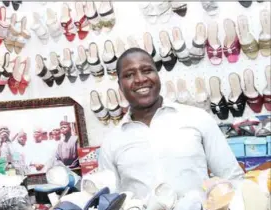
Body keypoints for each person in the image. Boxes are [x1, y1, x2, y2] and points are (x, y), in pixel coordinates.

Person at [97, 48, 244, 200]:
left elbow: (232, 177)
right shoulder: (111, 142)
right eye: (129, 75)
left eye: (147, 70)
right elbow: (109, 201)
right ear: (120, 85)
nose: (140, 79)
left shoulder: (197, 118)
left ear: (157, 75)